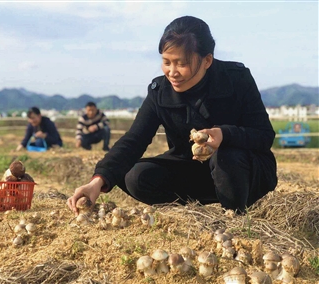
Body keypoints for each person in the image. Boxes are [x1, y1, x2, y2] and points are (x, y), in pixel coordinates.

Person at [67, 15, 277, 215]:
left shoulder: (236, 80)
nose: (172, 72)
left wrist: (225, 135)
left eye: (182, 64)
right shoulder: (160, 91)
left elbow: (264, 135)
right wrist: (97, 181)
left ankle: (234, 214)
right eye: (167, 62)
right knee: (135, 176)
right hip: (192, 170)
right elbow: (134, 140)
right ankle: (188, 212)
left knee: (225, 156)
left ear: (207, 60)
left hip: (243, 171)